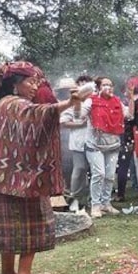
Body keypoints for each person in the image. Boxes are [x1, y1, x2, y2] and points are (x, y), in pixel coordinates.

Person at [0, 61, 92, 274]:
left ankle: (7, 273)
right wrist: (70, 103)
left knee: (7, 226)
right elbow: (37, 113)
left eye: (37, 82)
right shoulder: (14, 103)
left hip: (2, 177)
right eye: (30, 82)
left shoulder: (3, 103)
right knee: (35, 222)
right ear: (16, 84)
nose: (34, 87)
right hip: (18, 179)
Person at [82, 76, 132, 218]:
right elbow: (80, 115)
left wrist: (132, 99)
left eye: (110, 85)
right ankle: (95, 205)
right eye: (104, 85)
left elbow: (129, 115)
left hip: (113, 145)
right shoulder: (91, 100)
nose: (108, 87)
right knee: (99, 174)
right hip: (94, 145)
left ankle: (106, 203)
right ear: (98, 87)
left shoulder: (117, 101)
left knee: (110, 176)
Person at [59, 76, 90, 213]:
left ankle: (85, 200)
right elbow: (64, 122)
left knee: (87, 172)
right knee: (76, 170)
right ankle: (73, 199)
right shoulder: (66, 104)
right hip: (72, 144)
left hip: (91, 143)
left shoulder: (89, 102)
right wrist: (79, 124)